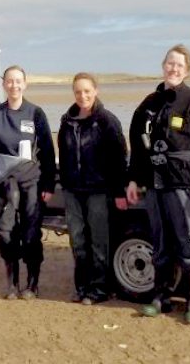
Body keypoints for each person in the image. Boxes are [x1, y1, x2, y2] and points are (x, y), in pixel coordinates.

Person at [126, 44, 190, 324]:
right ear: (163, 65)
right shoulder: (149, 104)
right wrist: (133, 178)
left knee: (189, 242)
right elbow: (137, 144)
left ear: (187, 70)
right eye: (170, 63)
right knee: (160, 242)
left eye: (180, 65)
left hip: (185, 184)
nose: (174, 68)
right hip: (155, 184)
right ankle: (161, 296)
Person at [0, 65, 56, 300]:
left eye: (18, 81)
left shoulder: (35, 113)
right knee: (5, 232)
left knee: (30, 233)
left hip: (31, 182)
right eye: (10, 81)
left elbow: (48, 152)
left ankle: (32, 283)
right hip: (3, 184)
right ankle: (12, 284)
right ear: (4, 84)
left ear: (25, 84)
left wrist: (48, 185)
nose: (14, 85)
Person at [57, 72, 128, 305]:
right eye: (78, 91)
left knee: (99, 241)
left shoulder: (107, 121)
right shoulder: (67, 121)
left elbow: (120, 158)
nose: (82, 95)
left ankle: (99, 289)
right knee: (77, 240)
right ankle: (82, 287)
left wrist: (119, 191)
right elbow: (64, 155)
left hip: (99, 190)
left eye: (87, 91)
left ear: (95, 91)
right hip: (73, 190)